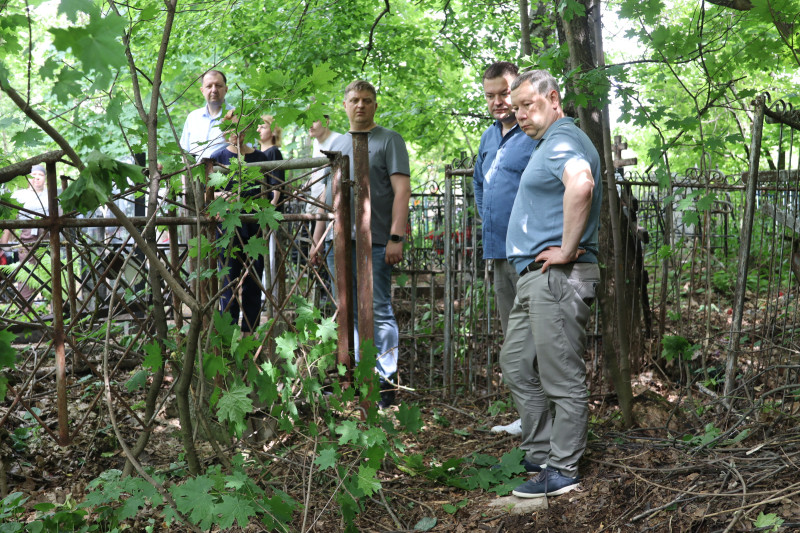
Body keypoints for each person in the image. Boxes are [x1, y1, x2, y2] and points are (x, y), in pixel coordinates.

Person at [500, 70, 602, 498]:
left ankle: (563, 469)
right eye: (516, 107)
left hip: (555, 277)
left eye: (528, 104)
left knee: (561, 375)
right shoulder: (547, 144)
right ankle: (540, 454)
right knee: (516, 364)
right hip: (534, 278)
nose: (520, 114)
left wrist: (566, 249)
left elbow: (582, 184)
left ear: (554, 99)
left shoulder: (563, 139)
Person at [312, 80, 411, 408]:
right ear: (345, 105)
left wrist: (396, 237)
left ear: (375, 105)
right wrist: (317, 239)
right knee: (347, 310)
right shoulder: (337, 143)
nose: (360, 105)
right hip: (338, 243)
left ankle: (385, 382)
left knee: (378, 310)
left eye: (367, 100)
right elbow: (327, 196)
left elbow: (402, 191)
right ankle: (355, 377)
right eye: (354, 100)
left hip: (377, 241)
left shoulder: (389, 140)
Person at [473, 62, 539, 437]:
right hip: (497, 254)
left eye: (504, 93)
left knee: (538, 337)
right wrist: (490, 217)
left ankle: (547, 420)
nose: (498, 101)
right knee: (513, 339)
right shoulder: (487, 137)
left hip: (530, 255)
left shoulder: (533, 133)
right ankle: (527, 417)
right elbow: (479, 184)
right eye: (490, 96)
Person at [208, 113, 270, 334]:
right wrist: (221, 196)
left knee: (254, 280)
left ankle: (249, 333)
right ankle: (229, 334)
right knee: (228, 282)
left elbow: (270, 193)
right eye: (232, 128)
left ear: (249, 130)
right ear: (225, 131)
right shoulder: (217, 158)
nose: (237, 133)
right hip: (227, 229)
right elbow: (207, 195)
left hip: (255, 229)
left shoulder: (261, 158)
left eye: (242, 128)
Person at [1, 164, 49, 305]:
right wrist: (3, 246)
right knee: (27, 272)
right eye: (33, 175)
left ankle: (56, 310)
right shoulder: (19, 196)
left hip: (48, 239)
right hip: (26, 240)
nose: (37, 178)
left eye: (40, 175)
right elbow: (10, 223)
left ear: (45, 178)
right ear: (27, 178)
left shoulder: (51, 195)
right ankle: (26, 309)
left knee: (50, 273)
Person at [179, 70, 232, 160]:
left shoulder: (236, 116)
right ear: (202, 90)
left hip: (225, 168)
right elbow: (185, 153)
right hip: (195, 169)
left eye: (218, 85)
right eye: (209, 86)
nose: (214, 90)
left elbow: (249, 150)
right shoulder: (193, 118)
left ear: (226, 89)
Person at [308, 115, 341, 214]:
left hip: (331, 205)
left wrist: (321, 207)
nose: (309, 125)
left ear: (326, 121)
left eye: (314, 120)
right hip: (315, 201)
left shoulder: (338, 140)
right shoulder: (315, 142)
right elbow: (317, 172)